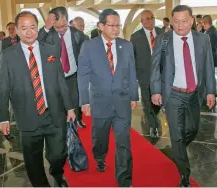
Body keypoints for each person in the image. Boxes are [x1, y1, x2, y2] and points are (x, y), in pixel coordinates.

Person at [0, 11, 75, 187]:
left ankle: (57, 173)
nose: (29, 32)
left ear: (37, 28)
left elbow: (60, 80)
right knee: (32, 160)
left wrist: (70, 107)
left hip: (54, 112)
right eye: (23, 28)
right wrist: (3, 118)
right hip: (27, 116)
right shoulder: (8, 56)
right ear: (16, 30)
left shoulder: (50, 49)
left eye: (33, 27)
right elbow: (3, 89)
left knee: (58, 154)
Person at [150, 5, 216, 187]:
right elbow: (155, 67)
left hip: (194, 93)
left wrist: (211, 91)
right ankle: (184, 174)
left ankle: (177, 150)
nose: (180, 26)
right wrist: (155, 91)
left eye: (184, 21)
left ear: (192, 20)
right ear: (172, 21)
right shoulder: (163, 40)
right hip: (173, 94)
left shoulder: (202, 39)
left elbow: (209, 66)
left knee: (193, 129)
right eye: (176, 21)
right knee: (177, 134)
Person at [78, 9, 139, 187]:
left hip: (122, 101)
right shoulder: (89, 47)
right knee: (100, 137)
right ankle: (99, 156)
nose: (115, 29)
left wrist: (134, 96)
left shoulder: (126, 46)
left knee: (123, 142)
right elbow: (83, 75)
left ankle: (124, 180)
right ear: (101, 26)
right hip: (99, 102)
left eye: (117, 25)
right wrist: (84, 101)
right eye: (111, 25)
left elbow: (131, 72)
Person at [38, 6, 87, 128]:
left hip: (72, 78)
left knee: (74, 107)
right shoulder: (48, 35)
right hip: (55, 79)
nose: (61, 29)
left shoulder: (78, 35)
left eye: (64, 25)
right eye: (57, 27)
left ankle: (74, 133)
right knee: (58, 109)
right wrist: (46, 28)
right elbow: (35, 44)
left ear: (68, 20)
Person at [130, 10, 163, 138]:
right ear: (141, 22)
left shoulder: (162, 33)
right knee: (147, 102)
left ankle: (154, 115)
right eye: (145, 19)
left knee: (159, 101)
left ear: (154, 19)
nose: (148, 21)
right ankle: (153, 125)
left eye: (151, 18)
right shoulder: (135, 37)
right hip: (144, 76)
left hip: (161, 75)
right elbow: (132, 58)